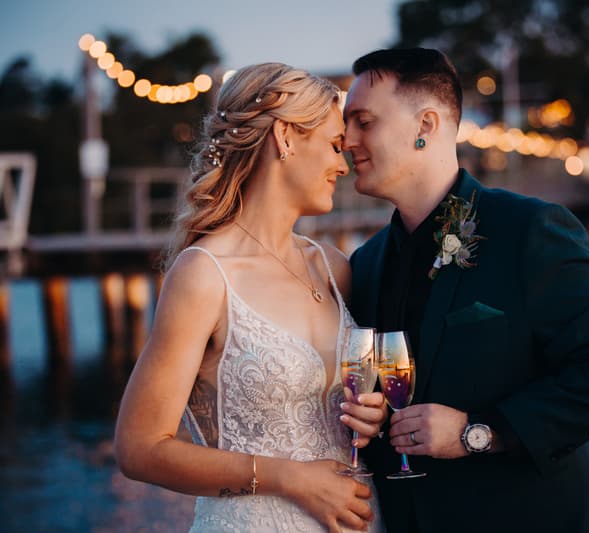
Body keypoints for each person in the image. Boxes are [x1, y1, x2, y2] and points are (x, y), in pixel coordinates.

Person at [344, 48, 589, 532]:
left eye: (363, 121)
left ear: (425, 125)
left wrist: (476, 432)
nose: (347, 140)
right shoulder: (365, 264)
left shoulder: (529, 230)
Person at [115, 62, 386, 533]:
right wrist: (290, 478)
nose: (343, 165)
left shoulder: (333, 268)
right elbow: (139, 448)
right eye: (333, 145)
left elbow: (343, 415)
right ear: (284, 136)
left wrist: (372, 414)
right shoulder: (204, 275)